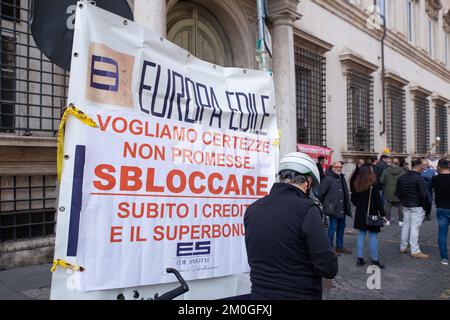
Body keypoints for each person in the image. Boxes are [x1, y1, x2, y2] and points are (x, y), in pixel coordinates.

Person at [244, 152, 338, 300]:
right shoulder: (307, 209)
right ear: (307, 182)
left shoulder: (253, 209)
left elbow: (253, 259)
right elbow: (328, 267)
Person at [353, 164, 386, 268]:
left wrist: (360, 204)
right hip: (371, 212)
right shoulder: (373, 184)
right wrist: (383, 214)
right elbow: (378, 201)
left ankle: (359, 258)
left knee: (361, 235)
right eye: (371, 170)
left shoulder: (357, 183)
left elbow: (353, 199)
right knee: (373, 236)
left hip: (360, 213)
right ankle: (375, 260)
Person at [396, 159, 429, 259]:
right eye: (422, 165)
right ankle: (415, 250)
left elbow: (397, 193)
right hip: (417, 205)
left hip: (406, 205)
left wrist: (403, 200)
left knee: (406, 225)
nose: (423, 167)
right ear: (419, 166)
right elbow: (424, 195)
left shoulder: (402, 178)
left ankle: (403, 246)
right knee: (414, 227)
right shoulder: (420, 179)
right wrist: (425, 207)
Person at [319, 161, 353, 255]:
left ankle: (340, 246)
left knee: (341, 227)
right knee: (332, 227)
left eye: (340, 167)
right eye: (337, 167)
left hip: (342, 207)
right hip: (332, 208)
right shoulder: (328, 179)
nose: (339, 169)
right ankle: (329, 248)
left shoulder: (341, 177)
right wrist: (327, 204)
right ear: (332, 167)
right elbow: (321, 193)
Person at [431, 158, 450, 265]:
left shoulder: (435, 179)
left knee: (442, 234)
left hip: (441, 208)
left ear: (438, 167)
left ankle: (444, 258)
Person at [380, 158, 405, 226]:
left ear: (391, 163)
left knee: (388, 206)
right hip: (399, 191)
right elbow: (404, 181)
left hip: (388, 190)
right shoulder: (402, 171)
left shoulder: (386, 170)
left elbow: (381, 180)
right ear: (398, 163)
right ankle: (401, 221)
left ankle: (388, 220)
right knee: (400, 206)